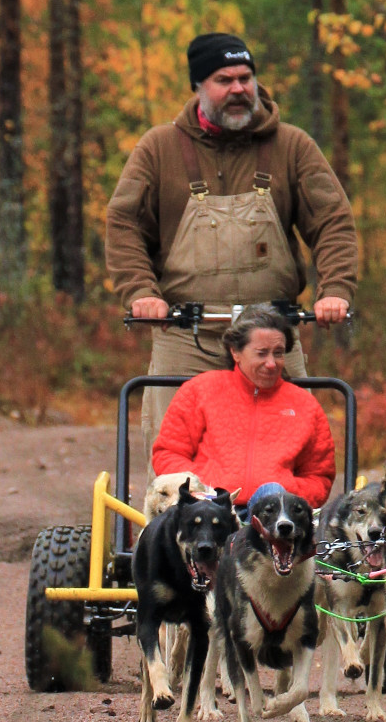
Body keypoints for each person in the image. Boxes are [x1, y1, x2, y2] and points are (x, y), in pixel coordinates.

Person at [105, 31, 358, 457]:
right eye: (224, 79)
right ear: (199, 87)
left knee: (297, 453)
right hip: (187, 335)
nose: (238, 89)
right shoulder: (158, 149)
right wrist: (141, 294)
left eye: (246, 77)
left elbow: (333, 222)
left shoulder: (292, 146)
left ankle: (297, 522)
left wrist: (334, 290)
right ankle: (169, 524)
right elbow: (124, 224)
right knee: (175, 460)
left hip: (273, 334)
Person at [151, 305, 336, 508]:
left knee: (271, 492)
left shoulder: (305, 405)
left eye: (278, 353)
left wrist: (287, 490)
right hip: (210, 508)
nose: (272, 363)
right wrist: (199, 488)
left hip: (273, 515)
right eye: (262, 354)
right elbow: (168, 454)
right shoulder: (200, 390)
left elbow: (319, 476)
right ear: (235, 352)